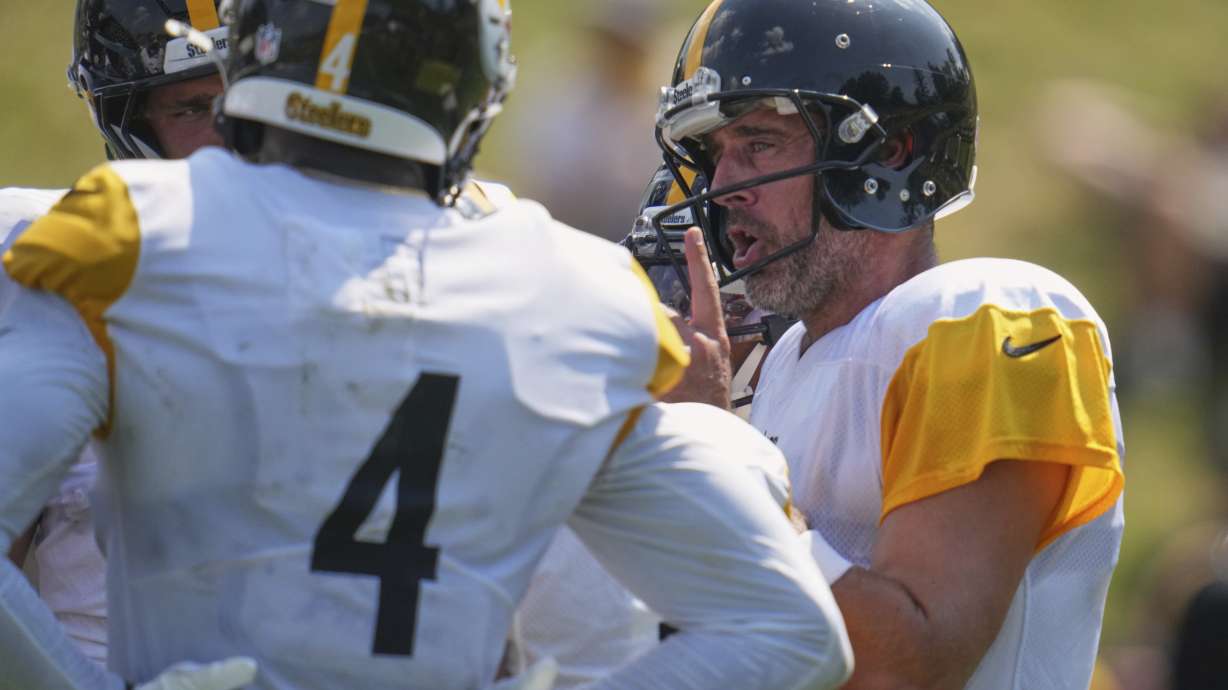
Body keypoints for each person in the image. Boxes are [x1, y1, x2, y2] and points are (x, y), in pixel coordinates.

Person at [0, 2, 853, 690]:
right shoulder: (572, 288)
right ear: (475, 90)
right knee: (724, 449)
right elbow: (790, 632)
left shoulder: (128, 236)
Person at [652, 1, 1126, 688]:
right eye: (714, 154)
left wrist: (709, 454)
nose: (723, 187)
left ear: (888, 152)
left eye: (759, 143)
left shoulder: (989, 316)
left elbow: (910, 663)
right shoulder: (785, 365)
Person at [2, 0, 229, 667]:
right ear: (128, 117)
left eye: (255, 100)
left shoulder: (417, 267)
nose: (234, 140)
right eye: (193, 108)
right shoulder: (44, 262)